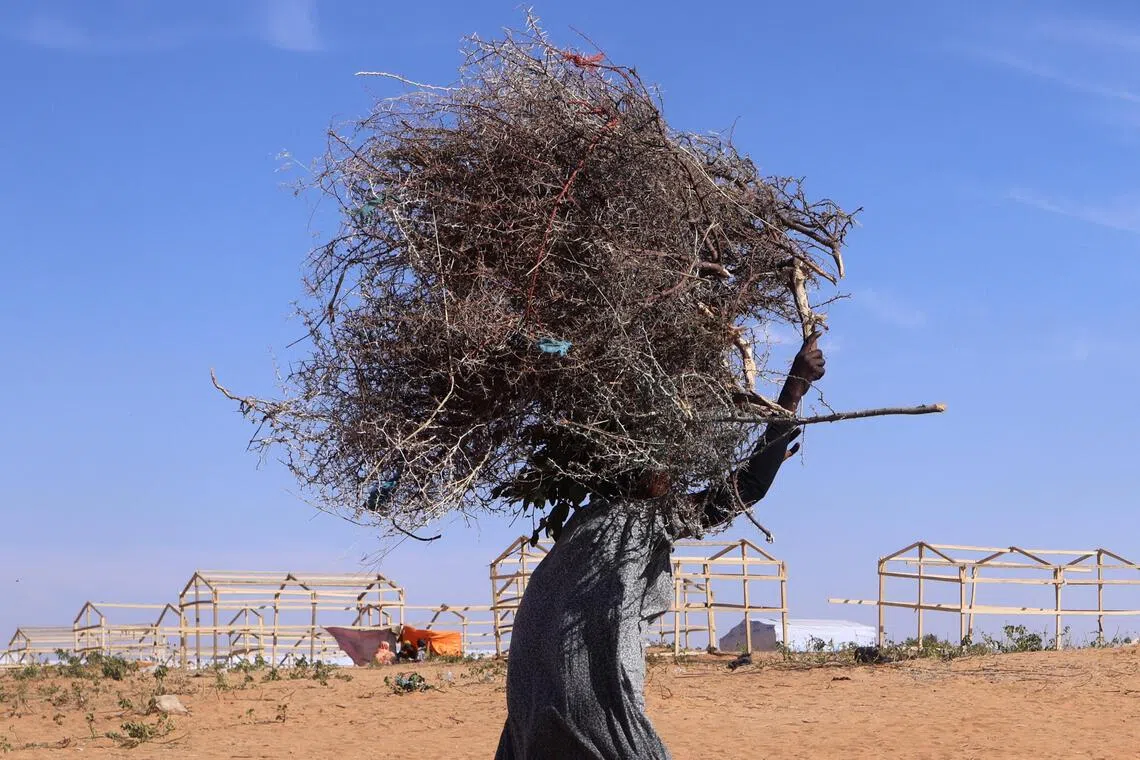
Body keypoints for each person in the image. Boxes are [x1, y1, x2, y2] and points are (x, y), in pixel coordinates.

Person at [495, 331, 826, 760]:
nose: (673, 479)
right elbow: (747, 487)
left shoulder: (585, 523)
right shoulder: (638, 522)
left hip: (531, 708)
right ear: (644, 475)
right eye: (667, 468)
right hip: (590, 707)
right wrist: (794, 388)